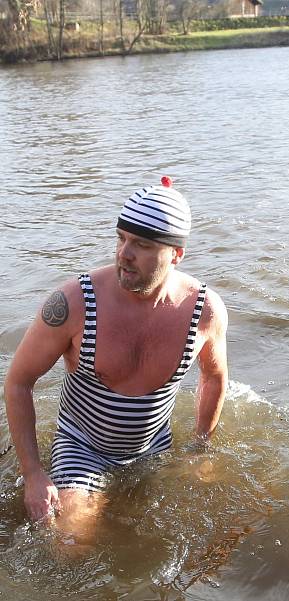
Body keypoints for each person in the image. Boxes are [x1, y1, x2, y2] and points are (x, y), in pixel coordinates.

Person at [3, 176, 229, 533]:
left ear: (175, 254)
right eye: (121, 238)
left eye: (141, 244)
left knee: (166, 543)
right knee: (71, 546)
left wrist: (200, 448)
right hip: (82, 447)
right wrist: (32, 473)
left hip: (154, 448)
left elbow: (214, 376)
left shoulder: (204, 311)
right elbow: (18, 382)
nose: (124, 254)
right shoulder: (75, 303)